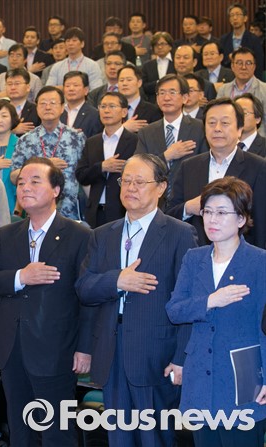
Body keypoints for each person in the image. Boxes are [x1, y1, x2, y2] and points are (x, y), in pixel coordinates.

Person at [75, 153, 198, 447]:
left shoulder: (180, 234)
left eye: (140, 182)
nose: (130, 187)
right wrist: (116, 280)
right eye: (126, 180)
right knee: (118, 437)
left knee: (154, 437)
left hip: (157, 354)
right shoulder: (102, 234)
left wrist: (182, 358)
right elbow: (84, 288)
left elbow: (189, 301)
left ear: (161, 187)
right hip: (111, 350)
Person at [0, 156, 93, 446]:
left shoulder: (79, 234)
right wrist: (21, 276)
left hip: (57, 350)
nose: (25, 187)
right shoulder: (6, 234)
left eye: (34, 181)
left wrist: (85, 347)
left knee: (58, 432)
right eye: (20, 183)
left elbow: (87, 296)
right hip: (12, 348)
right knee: (20, 429)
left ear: (56, 190)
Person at [166, 177, 266, 446]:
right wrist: (210, 300)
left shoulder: (260, 262)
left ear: (241, 219)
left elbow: (264, 328)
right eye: (207, 211)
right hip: (200, 377)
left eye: (222, 213)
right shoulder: (194, 258)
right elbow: (174, 310)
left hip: (244, 378)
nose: (212, 219)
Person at [168, 98, 266, 248]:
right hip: (193, 252)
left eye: (225, 123)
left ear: (239, 129)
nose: (217, 128)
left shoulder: (258, 167)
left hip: (239, 254)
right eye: (211, 123)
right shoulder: (188, 166)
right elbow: (169, 213)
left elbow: (261, 224)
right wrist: (188, 207)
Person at [11, 86, 86, 220]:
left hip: (71, 212)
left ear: (62, 108)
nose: (48, 107)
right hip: (36, 213)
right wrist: (44, 165)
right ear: (37, 108)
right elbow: (13, 176)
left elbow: (85, 173)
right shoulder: (26, 140)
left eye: (53, 103)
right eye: (43, 103)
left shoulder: (76, 137)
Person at [76, 92, 137, 229]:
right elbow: (81, 175)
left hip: (122, 210)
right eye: (103, 106)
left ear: (124, 112)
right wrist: (102, 167)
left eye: (112, 106)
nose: (106, 110)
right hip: (95, 211)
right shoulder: (92, 142)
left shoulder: (135, 141)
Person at [135, 74, 208, 189]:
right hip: (155, 195)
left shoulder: (200, 128)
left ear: (185, 98)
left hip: (189, 194)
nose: (166, 98)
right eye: (162, 93)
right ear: (157, 99)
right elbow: (139, 167)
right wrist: (166, 156)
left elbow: (206, 165)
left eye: (172, 92)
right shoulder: (146, 132)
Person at [219, 3, 265, 81]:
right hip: (228, 81)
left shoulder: (254, 40)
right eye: (232, 15)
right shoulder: (223, 39)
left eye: (238, 14)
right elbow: (220, 63)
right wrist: (230, 59)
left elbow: (259, 65)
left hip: (249, 81)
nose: (235, 18)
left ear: (245, 18)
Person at [60, 71, 102, 138]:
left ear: (86, 90)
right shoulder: (57, 112)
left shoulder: (95, 115)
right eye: (67, 86)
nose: (71, 89)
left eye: (75, 85)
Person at [141, 32, 176, 104]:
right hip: (153, 103)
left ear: (170, 46)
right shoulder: (147, 66)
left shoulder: (177, 63)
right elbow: (143, 86)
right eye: (156, 45)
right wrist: (158, 83)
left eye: (163, 44)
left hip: (174, 101)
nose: (159, 47)